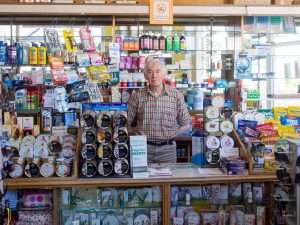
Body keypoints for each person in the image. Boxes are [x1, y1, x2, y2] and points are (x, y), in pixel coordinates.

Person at [127, 59, 191, 163]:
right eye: (150, 71)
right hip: (142, 149)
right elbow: (126, 124)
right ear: (145, 75)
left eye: (157, 71)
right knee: (141, 179)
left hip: (168, 150)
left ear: (164, 74)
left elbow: (186, 124)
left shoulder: (176, 95)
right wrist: (136, 135)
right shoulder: (137, 96)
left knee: (168, 179)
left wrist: (172, 135)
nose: (154, 75)